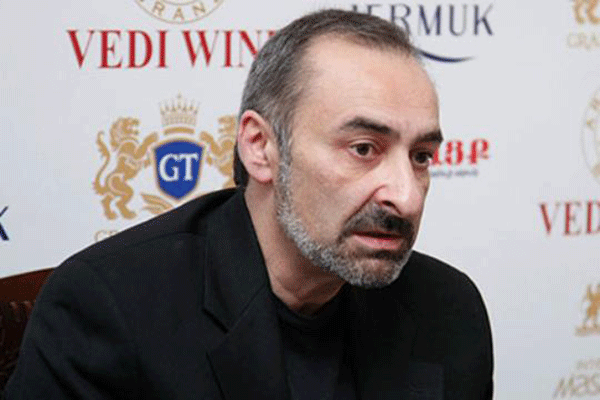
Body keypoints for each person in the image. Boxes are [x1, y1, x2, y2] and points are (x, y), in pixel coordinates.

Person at [4, 9, 493, 400]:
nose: (406, 196)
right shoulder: (111, 308)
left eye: (421, 156)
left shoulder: (447, 308)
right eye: (363, 149)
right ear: (260, 147)